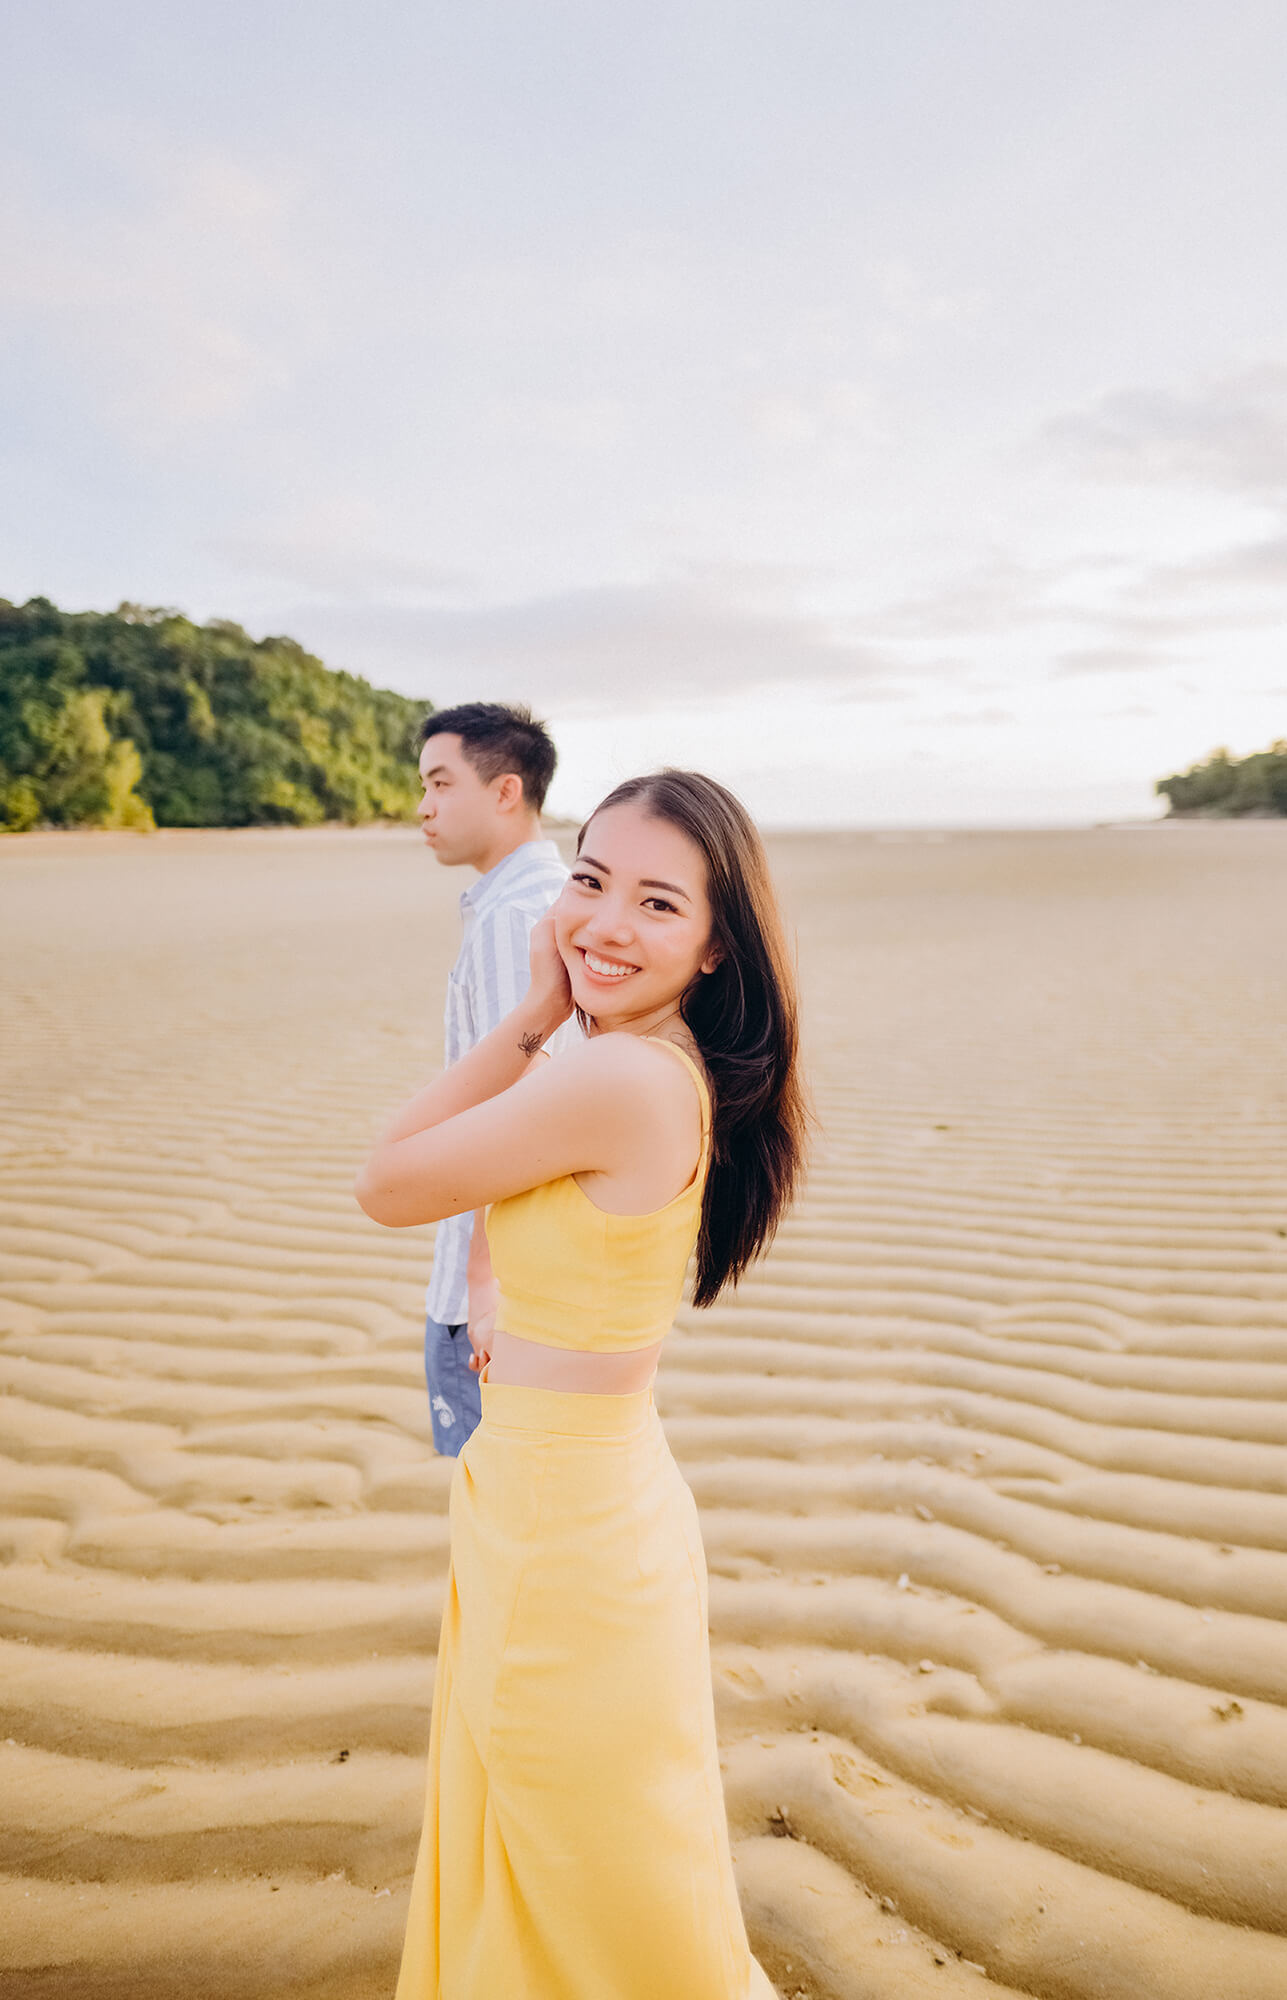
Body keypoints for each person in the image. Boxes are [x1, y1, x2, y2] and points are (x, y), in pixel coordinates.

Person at [356, 769, 808, 2000]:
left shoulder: (609, 1075)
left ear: (717, 946)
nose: (605, 921)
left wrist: (530, 1009)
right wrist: (505, 1294)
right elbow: (535, 1211)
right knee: (594, 1856)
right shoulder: (643, 1063)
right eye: (590, 879)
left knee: (585, 1875)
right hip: (575, 1496)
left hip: (565, 1530)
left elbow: (388, 1181)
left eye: (658, 903)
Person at [414, 702, 569, 1458]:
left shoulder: (518, 915)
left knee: (498, 1524)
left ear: (506, 791)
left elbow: (520, 1108)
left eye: (440, 783)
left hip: (494, 1298)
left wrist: (481, 1287)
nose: (423, 808)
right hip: (530, 1281)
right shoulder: (548, 899)